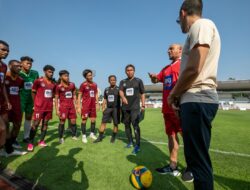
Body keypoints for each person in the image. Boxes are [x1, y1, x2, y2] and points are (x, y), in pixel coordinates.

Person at [168, 0, 221, 189]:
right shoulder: (200, 28)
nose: (179, 24)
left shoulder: (201, 25)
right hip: (194, 100)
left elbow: (194, 68)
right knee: (195, 159)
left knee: (199, 163)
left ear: (183, 13)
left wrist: (173, 94)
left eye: (178, 19)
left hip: (198, 99)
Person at [149, 44, 184, 176]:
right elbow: (156, 80)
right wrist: (153, 78)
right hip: (167, 109)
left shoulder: (184, 64)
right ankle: (173, 165)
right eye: (168, 49)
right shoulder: (166, 68)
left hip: (178, 108)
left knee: (187, 136)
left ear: (180, 50)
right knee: (171, 136)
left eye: (171, 48)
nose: (168, 50)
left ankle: (193, 167)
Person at [27, 65, 56, 151]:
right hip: (39, 107)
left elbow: (53, 95)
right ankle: (30, 143)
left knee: (45, 124)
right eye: (49, 72)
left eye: (52, 72)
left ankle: (41, 141)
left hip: (48, 107)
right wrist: (35, 103)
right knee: (35, 124)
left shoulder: (53, 84)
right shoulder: (38, 81)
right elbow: (33, 92)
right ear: (45, 71)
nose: (51, 74)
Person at [119, 64, 145, 155]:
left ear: (134, 71)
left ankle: (137, 145)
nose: (129, 71)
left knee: (135, 125)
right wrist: (123, 97)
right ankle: (130, 142)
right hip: (125, 108)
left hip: (135, 107)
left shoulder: (138, 81)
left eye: (131, 70)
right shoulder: (123, 81)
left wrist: (143, 105)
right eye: (127, 70)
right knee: (126, 125)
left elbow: (142, 93)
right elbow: (121, 91)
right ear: (125, 72)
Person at [4, 60, 27, 156]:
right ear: (10, 66)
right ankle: (7, 148)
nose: (19, 68)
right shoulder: (5, 76)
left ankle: (12, 142)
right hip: (6, 105)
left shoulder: (21, 80)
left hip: (17, 105)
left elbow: (20, 89)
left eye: (20, 66)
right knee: (5, 127)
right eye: (17, 66)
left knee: (17, 125)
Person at [94, 75, 120, 143]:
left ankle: (113, 137)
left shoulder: (119, 89)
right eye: (111, 80)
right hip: (108, 108)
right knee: (103, 123)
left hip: (116, 109)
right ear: (109, 81)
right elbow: (105, 99)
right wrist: (103, 107)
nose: (113, 81)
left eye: (114, 80)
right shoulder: (106, 89)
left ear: (116, 80)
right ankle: (100, 137)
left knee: (115, 124)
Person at [19, 56, 39, 143]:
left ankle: (26, 137)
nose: (29, 65)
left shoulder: (35, 73)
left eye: (30, 63)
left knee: (28, 117)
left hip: (31, 99)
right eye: (27, 63)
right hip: (20, 98)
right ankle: (13, 138)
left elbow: (38, 86)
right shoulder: (17, 72)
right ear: (21, 63)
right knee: (18, 119)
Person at [55, 70, 77, 144]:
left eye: (68, 75)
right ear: (61, 77)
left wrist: (76, 104)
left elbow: (74, 94)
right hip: (63, 107)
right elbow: (56, 98)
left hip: (71, 106)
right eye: (65, 76)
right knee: (62, 121)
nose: (67, 77)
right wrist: (57, 109)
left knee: (73, 121)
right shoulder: (58, 87)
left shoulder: (72, 85)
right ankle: (61, 137)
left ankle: (73, 135)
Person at [77, 69, 99, 143]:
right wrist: (79, 106)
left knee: (93, 120)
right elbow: (79, 95)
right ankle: (83, 136)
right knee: (84, 120)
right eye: (89, 75)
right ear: (85, 77)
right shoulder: (83, 85)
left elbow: (96, 94)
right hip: (86, 105)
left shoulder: (95, 84)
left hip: (93, 106)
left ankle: (92, 134)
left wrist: (98, 103)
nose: (91, 76)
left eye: (91, 75)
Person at [0, 40, 12, 157]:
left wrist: (7, 100)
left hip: (2, 101)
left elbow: (2, 85)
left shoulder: (3, 66)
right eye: (3, 49)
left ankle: (4, 151)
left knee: (6, 125)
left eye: (7, 51)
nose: (6, 52)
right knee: (2, 128)